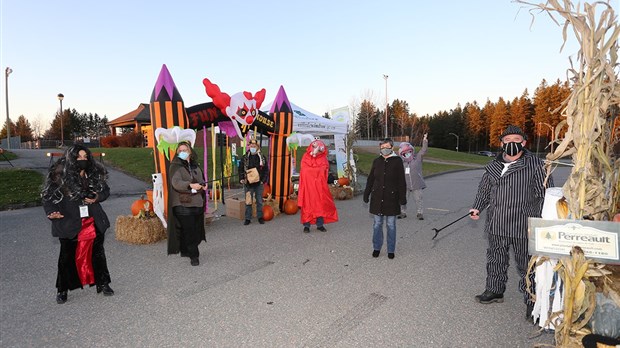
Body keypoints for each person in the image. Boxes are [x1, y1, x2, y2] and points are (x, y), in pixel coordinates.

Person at [469, 125, 553, 320]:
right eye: (507, 141)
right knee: (496, 259)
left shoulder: (536, 164)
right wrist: (477, 207)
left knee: (527, 265)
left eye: (516, 140)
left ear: (524, 143)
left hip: (524, 225)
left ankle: (532, 300)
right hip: (497, 224)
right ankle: (494, 290)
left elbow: (545, 195)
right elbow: (484, 190)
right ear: (501, 144)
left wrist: (542, 222)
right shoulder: (493, 166)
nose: (511, 144)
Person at [42, 145, 114, 304]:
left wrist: (97, 197)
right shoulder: (59, 177)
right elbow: (48, 198)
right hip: (69, 223)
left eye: (85, 157)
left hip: (93, 221)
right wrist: (52, 212)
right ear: (71, 158)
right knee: (66, 258)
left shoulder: (93, 175)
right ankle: (62, 289)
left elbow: (106, 191)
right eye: (78, 157)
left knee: (98, 254)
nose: (82, 160)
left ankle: (103, 283)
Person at [363, 138, 407, 259]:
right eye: (382, 147)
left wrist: (402, 198)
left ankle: (391, 249)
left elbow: (401, 181)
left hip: (391, 198)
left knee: (391, 225)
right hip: (377, 198)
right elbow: (371, 179)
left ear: (392, 148)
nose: (384, 149)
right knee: (377, 224)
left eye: (387, 147)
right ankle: (376, 247)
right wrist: (366, 193)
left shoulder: (397, 161)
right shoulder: (376, 161)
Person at [167, 141, 207, 266]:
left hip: (197, 203)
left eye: (185, 150)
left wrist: (203, 185)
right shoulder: (175, 166)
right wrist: (189, 185)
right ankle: (194, 255)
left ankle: (186, 250)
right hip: (182, 204)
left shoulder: (195, 166)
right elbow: (176, 183)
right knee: (189, 231)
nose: (183, 152)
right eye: (180, 151)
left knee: (195, 230)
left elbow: (201, 180)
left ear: (190, 152)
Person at [298, 139, 339, 233]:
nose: (317, 151)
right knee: (307, 206)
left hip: (319, 187)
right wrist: (315, 171)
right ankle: (306, 225)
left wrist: (313, 171)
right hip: (308, 187)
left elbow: (323, 171)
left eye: (319, 150)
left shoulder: (323, 159)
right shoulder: (306, 157)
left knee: (320, 205)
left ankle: (320, 224)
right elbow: (304, 170)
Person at [398, 133, 428, 220]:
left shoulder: (418, 159)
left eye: (409, 152)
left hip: (416, 184)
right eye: (405, 153)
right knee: (403, 199)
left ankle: (420, 213)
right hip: (405, 185)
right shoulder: (402, 163)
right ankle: (402, 212)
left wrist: (425, 140)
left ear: (412, 151)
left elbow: (423, 151)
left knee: (418, 199)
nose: (407, 154)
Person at [238, 139, 269, 225]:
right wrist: (241, 178)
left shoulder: (262, 158)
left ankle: (260, 217)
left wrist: (263, 180)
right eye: (251, 146)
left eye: (254, 146)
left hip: (259, 183)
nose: (252, 148)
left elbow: (266, 170)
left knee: (259, 201)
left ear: (257, 147)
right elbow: (240, 168)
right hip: (248, 183)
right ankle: (248, 218)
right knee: (248, 201)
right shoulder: (245, 158)